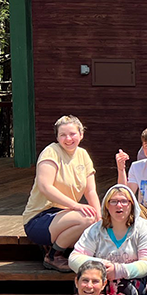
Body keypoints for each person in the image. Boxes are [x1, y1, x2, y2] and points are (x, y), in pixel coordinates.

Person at [22, 115, 100, 272]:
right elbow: (45, 187)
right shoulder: (51, 152)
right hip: (41, 217)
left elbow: (90, 190)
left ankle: (61, 247)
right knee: (86, 218)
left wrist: (100, 218)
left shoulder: (83, 155)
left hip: (65, 215)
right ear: (57, 137)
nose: (68, 139)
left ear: (81, 134)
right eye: (63, 135)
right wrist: (75, 205)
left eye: (72, 134)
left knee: (95, 221)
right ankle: (53, 256)